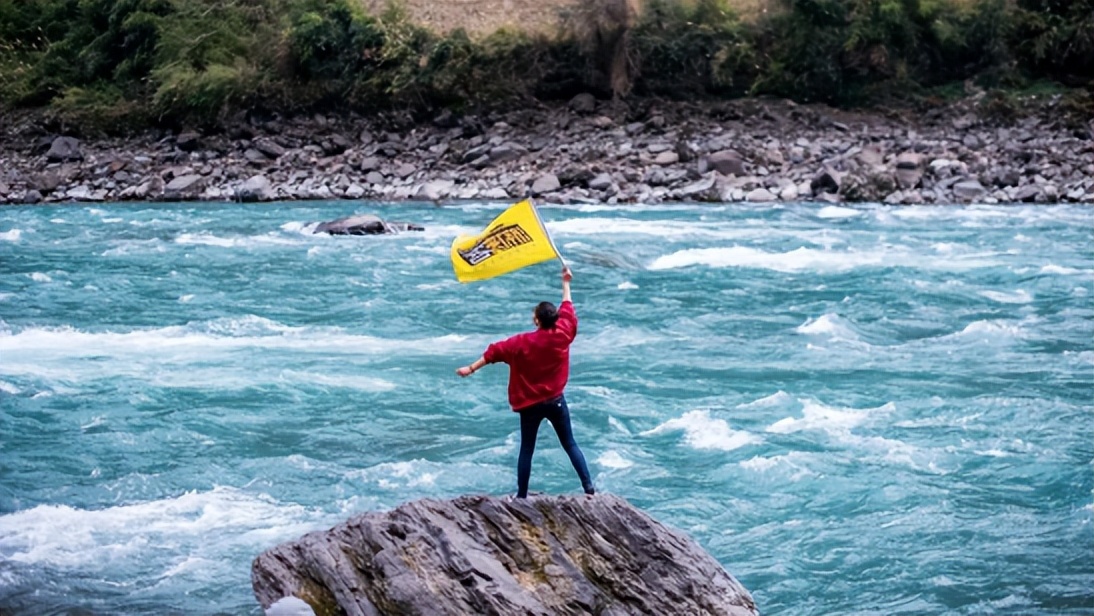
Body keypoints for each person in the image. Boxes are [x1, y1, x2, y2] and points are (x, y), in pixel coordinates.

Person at [456, 266, 595, 499]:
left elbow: (493, 352)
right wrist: (566, 282)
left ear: (537, 321)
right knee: (570, 444)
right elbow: (568, 308)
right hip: (555, 401)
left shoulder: (521, 343)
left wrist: (470, 369)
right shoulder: (563, 335)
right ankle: (589, 489)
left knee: (527, 449)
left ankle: (521, 497)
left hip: (530, 405)